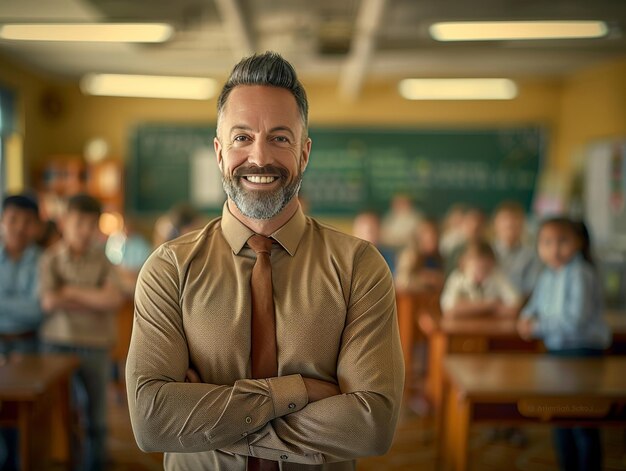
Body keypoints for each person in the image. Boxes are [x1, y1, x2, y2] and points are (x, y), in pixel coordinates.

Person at [126, 52, 404, 471]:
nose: (259, 158)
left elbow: (372, 426)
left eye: (279, 138)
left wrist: (210, 419)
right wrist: (304, 391)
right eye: (242, 137)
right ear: (219, 153)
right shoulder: (168, 270)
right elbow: (151, 421)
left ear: (304, 154)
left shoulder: (359, 266)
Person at [517, 217, 610, 471]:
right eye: (546, 242)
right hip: (556, 352)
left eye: (563, 241)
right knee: (560, 418)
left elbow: (574, 322)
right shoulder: (548, 274)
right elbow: (532, 306)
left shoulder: (581, 273)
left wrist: (535, 327)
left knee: (584, 420)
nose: (554, 249)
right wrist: (525, 319)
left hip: (582, 353)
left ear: (579, 242)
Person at [40, 193, 124, 471]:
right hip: (56, 345)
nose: (85, 231)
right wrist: (93, 299)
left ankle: (94, 465)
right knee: (57, 417)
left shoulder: (103, 260)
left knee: (96, 418)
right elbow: (49, 301)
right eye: (79, 223)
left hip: (96, 345)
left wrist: (70, 292)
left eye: (92, 224)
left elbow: (113, 300)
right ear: (64, 222)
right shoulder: (50, 258)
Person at [0, 193, 44, 471]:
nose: (18, 227)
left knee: (26, 419)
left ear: (36, 227)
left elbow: (37, 310)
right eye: (12, 219)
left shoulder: (44, 260)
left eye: (26, 221)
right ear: (2, 221)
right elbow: (27, 305)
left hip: (30, 346)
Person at [441, 240, 521, 318]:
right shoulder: (457, 278)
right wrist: (491, 305)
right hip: (461, 329)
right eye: (473, 260)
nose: (478, 265)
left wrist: (465, 307)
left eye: (483, 264)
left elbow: (514, 307)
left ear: (491, 263)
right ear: (463, 263)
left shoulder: (498, 277)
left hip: (492, 329)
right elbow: (448, 310)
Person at [491, 201, 542, 299]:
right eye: (505, 219)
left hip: (519, 306)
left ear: (523, 223)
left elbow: (531, 289)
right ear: (495, 223)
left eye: (515, 219)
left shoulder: (532, 255)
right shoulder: (485, 252)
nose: (510, 223)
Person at [395, 217, 445, 295]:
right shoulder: (409, 256)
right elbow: (401, 283)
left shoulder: (439, 258)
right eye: (427, 237)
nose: (431, 239)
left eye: (433, 236)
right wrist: (424, 279)